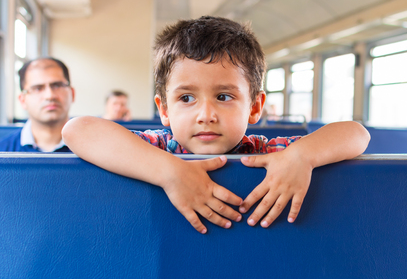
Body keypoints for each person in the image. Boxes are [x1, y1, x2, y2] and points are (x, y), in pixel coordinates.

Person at [62, 16, 370, 234]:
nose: (205, 114)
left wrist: (302, 157)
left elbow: (356, 134)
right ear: (164, 110)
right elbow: (78, 130)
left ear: (255, 107)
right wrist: (170, 172)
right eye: (186, 98)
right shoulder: (158, 148)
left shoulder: (269, 154)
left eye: (223, 96)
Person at [0, 57, 75, 152]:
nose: (50, 96)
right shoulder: (3, 152)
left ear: (72, 94)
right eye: (38, 88)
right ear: (22, 100)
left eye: (57, 85)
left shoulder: (93, 151)